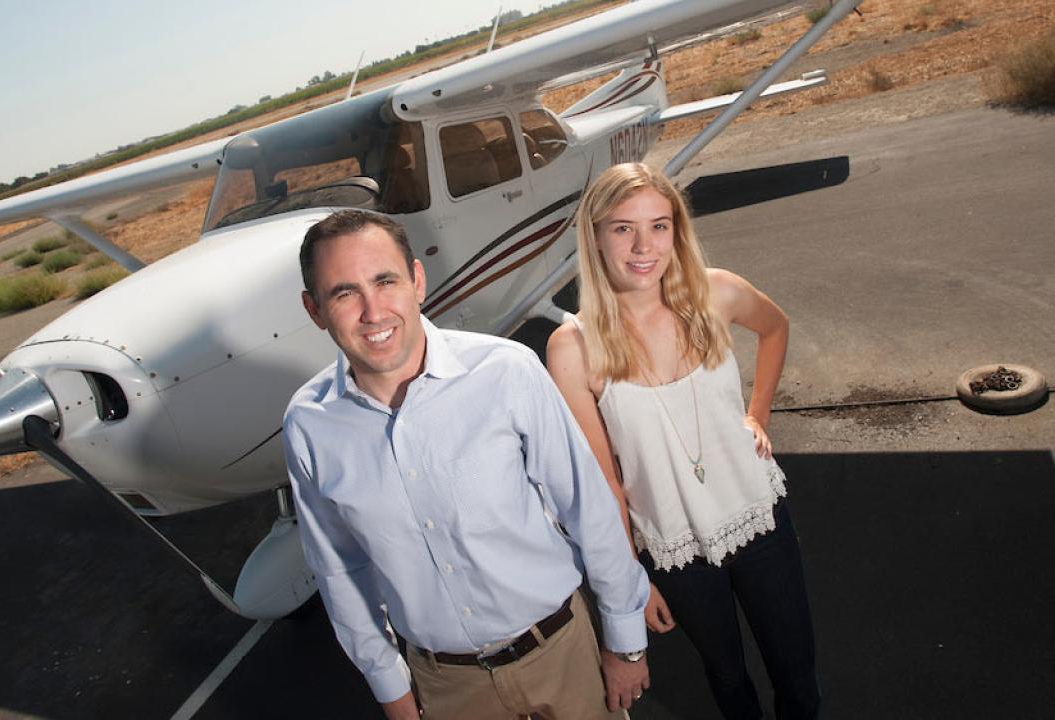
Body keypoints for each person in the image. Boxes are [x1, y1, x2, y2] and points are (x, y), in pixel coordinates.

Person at [283, 209, 652, 720]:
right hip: (445, 687)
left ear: (416, 279)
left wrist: (625, 641)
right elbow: (339, 567)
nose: (372, 311)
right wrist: (390, 689)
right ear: (315, 309)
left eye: (385, 280)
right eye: (344, 293)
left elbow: (586, 507)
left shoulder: (506, 371)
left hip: (562, 655)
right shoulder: (308, 424)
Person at [546, 163, 820, 720]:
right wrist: (632, 583)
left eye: (659, 225)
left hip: (758, 518)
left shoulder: (716, 293)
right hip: (675, 550)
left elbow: (775, 328)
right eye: (623, 228)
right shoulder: (572, 348)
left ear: (677, 230)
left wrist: (757, 414)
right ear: (595, 236)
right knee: (726, 676)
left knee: (796, 672)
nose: (643, 246)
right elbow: (604, 486)